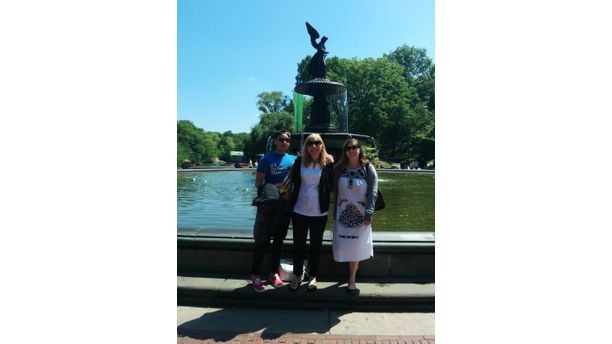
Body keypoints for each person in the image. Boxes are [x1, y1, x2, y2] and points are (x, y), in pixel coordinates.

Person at [250, 130, 296, 292]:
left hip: (285, 208)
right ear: (275, 141)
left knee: (278, 242)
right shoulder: (266, 159)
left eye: (287, 140)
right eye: (281, 139)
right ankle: (255, 275)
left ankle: (273, 273)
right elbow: (258, 184)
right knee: (262, 241)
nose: (284, 142)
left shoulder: (294, 160)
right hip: (268, 208)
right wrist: (280, 188)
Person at [287, 134, 334, 292]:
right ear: (306, 146)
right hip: (299, 210)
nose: (314, 146)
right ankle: (297, 275)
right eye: (310, 143)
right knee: (298, 245)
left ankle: (313, 276)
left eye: (317, 143)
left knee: (316, 246)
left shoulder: (327, 163)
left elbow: (335, 183)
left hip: (319, 212)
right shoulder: (299, 161)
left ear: (322, 145)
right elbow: (289, 181)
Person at [332, 138, 378, 296]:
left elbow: (373, 192)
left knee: (356, 247)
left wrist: (369, 213)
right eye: (348, 148)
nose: (352, 150)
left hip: (361, 215)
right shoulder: (339, 168)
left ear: (360, 149)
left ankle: (351, 280)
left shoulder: (368, 168)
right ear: (345, 151)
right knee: (345, 245)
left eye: (355, 147)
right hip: (342, 213)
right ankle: (348, 276)